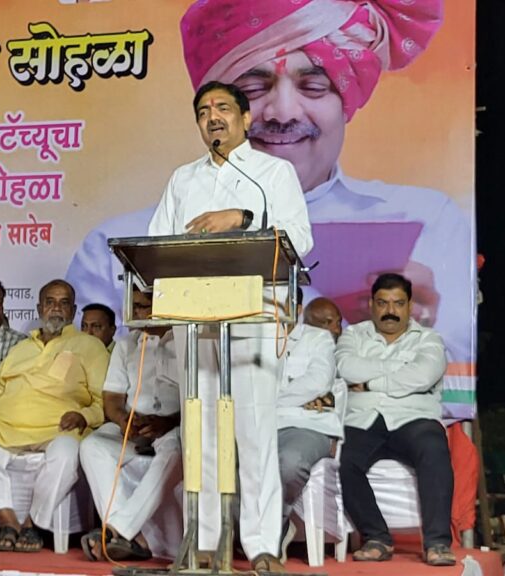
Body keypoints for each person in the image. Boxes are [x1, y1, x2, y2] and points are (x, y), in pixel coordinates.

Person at [65, 0, 473, 395]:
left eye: (314, 85)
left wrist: (399, 324)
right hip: (192, 366)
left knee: (255, 438)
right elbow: (148, 271)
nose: (282, 112)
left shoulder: (427, 218)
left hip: (274, 371)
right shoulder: (135, 221)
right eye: (254, 87)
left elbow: (452, 371)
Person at [148, 80, 312, 572]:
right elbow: (157, 242)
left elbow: (299, 238)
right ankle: (205, 541)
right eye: (203, 111)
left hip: (253, 313)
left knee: (254, 431)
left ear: (245, 118)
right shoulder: (182, 179)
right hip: (195, 317)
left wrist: (242, 217)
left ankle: (261, 545)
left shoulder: (273, 173)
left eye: (222, 108)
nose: (212, 117)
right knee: (200, 429)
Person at [0, 279, 109, 553]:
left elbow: (102, 401)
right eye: (49, 302)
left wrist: (83, 415)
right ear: (39, 308)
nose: (56, 308)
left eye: (64, 303)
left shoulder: (90, 346)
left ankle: (33, 523)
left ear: (73, 311)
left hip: (58, 428)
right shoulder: (20, 348)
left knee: (66, 453)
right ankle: (7, 520)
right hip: (6, 427)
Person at [337, 273, 455, 567]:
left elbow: (423, 375)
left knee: (434, 449)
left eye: (398, 303)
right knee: (344, 460)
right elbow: (346, 367)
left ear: (410, 306)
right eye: (383, 303)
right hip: (363, 419)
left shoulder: (429, 339)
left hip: (413, 418)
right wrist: (399, 370)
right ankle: (377, 537)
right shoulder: (353, 335)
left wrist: (371, 382)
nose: (390, 311)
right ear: (371, 305)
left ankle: (437, 543)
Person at [80, 288, 181, 562]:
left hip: (174, 425)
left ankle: (118, 531)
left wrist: (168, 422)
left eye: (143, 306)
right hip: (133, 425)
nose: (136, 313)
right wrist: (123, 420)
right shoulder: (127, 345)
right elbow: (112, 397)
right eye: (133, 306)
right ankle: (132, 538)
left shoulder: (187, 340)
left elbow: (201, 399)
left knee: (177, 449)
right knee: (92, 446)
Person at [276, 292, 339, 558]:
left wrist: (267, 400)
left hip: (307, 426)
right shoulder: (251, 341)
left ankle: (277, 523)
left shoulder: (318, 339)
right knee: (225, 466)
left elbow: (317, 382)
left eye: (278, 303)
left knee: (289, 463)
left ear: (297, 308)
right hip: (258, 424)